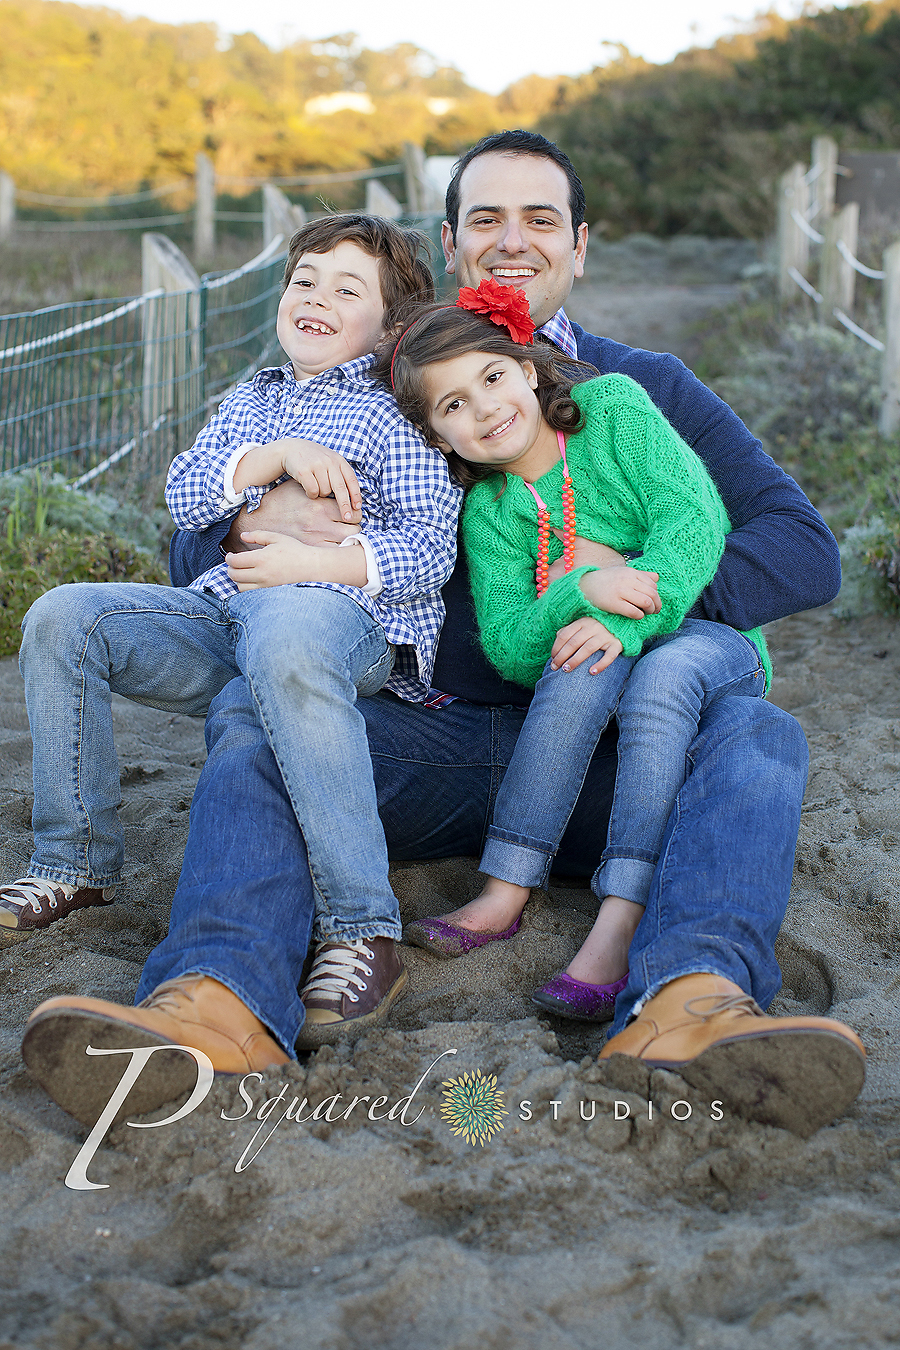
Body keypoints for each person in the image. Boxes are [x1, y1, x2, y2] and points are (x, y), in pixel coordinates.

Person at [22, 130, 865, 1140]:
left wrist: (618, 594)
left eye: (540, 219)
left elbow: (802, 551)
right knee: (260, 714)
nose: (514, 240)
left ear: (580, 245)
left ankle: (691, 1000)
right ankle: (217, 999)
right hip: (427, 738)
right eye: (487, 219)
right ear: (452, 242)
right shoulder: (388, 375)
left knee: (755, 734)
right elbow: (199, 550)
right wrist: (260, 526)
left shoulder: (643, 391)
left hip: (612, 754)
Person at [5, 214, 462, 1045]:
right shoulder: (255, 398)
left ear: (389, 324)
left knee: (286, 632)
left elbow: (429, 551)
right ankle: (75, 863)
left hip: (343, 623)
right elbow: (185, 497)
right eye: (305, 281)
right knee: (65, 616)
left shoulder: (396, 409)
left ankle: (363, 926)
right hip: (226, 615)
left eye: (347, 289)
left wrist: (317, 561)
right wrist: (273, 457)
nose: (316, 298)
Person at [387, 285, 769, 1023]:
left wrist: (629, 618)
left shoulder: (613, 411)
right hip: (603, 637)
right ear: (439, 437)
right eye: (454, 405)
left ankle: (621, 916)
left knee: (663, 674)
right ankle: (506, 887)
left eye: (492, 377)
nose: (485, 409)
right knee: (572, 660)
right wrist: (580, 589)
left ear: (528, 369)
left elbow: (694, 522)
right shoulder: (491, 512)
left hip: (710, 641)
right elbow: (509, 646)